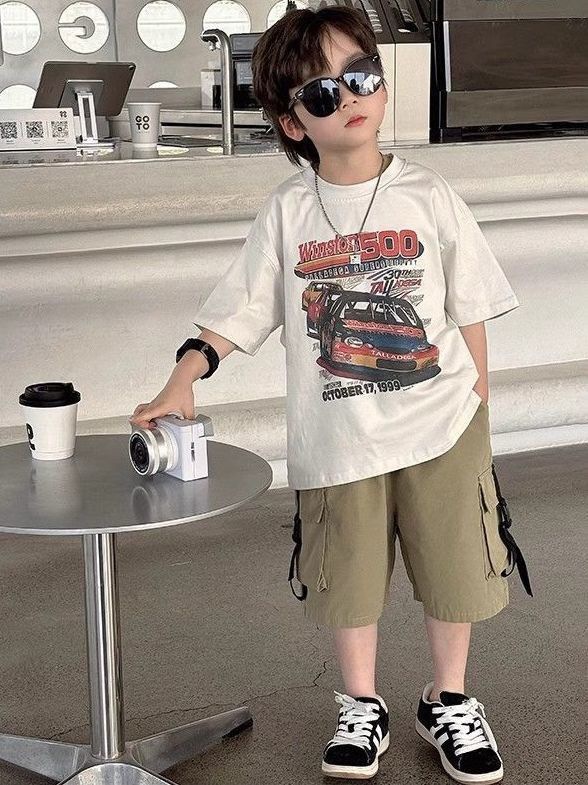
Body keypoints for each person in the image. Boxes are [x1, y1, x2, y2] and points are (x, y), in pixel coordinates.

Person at [129, 6, 532, 783]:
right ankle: (360, 703)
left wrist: (477, 405)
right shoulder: (288, 212)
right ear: (292, 123)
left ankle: (448, 698)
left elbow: (470, 308)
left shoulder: (429, 194)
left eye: (362, 75)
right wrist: (182, 377)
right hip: (338, 438)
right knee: (346, 579)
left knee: (456, 569)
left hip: (444, 424)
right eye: (322, 92)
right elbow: (237, 312)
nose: (350, 96)